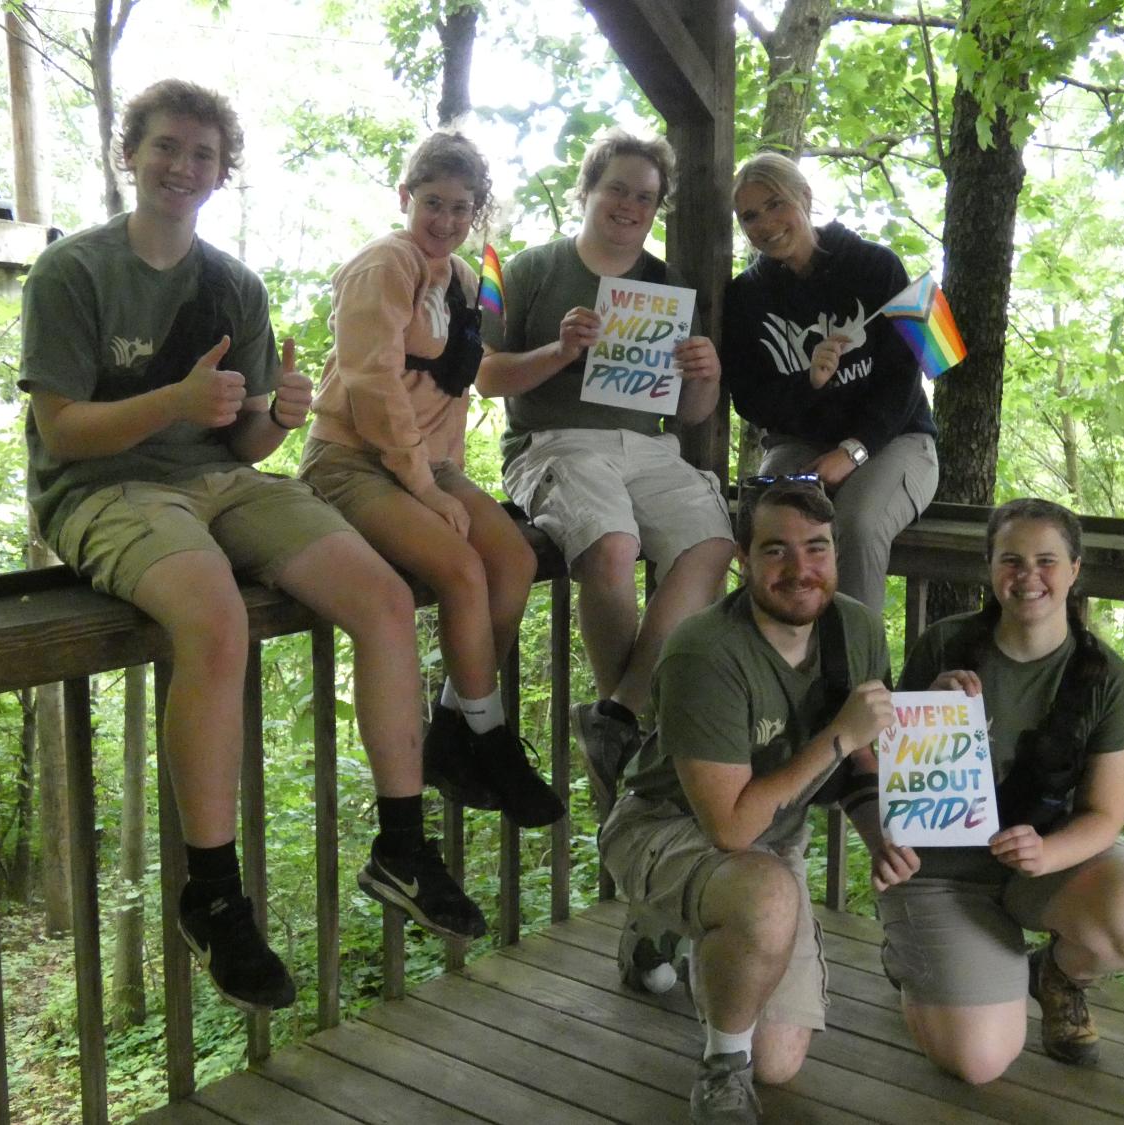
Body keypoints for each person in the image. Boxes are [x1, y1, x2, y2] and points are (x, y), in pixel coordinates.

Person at [19, 80, 486, 1013]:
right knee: (217, 619)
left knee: (385, 596)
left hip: (223, 482)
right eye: (165, 146)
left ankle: (399, 843)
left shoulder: (235, 284)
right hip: (102, 489)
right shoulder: (73, 272)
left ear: (221, 171)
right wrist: (176, 404)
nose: (181, 166)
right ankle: (213, 891)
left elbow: (244, 445)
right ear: (131, 154)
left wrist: (275, 415)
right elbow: (62, 430)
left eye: (201, 153)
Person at [599, 478, 894, 1124]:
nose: (800, 569)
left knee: (781, 1060)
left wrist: (881, 838)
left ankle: (667, 934)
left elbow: (863, 758)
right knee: (763, 896)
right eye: (776, 551)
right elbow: (729, 824)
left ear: (836, 552)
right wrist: (836, 735)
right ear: (742, 557)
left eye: (816, 548)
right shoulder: (704, 650)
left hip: (771, 835)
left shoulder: (857, 630)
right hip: (668, 826)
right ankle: (719, 1072)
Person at [851, 498, 1124, 1082]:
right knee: (978, 1062)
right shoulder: (944, 646)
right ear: (990, 568)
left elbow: (1105, 814)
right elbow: (889, 769)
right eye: (1012, 560)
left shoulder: (1107, 678)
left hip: (1040, 867)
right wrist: (931, 710)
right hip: (940, 870)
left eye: (1047, 560)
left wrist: (1046, 854)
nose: (1029, 577)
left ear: (1075, 570)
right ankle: (916, 959)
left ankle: (1056, 974)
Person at [299, 132, 562, 829]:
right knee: (461, 569)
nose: (445, 221)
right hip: (352, 458)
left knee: (514, 558)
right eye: (433, 203)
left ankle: (455, 726)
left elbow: (461, 381)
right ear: (405, 197)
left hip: (428, 465)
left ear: (477, 213)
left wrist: (568, 349)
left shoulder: (465, 280)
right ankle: (492, 739)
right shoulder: (384, 265)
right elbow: (373, 384)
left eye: (461, 209)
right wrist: (426, 488)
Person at [476, 128, 735, 810]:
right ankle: (637, 745)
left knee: (712, 541)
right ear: (587, 190)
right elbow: (484, 376)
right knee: (612, 544)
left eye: (645, 197)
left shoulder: (667, 284)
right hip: (555, 443)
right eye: (617, 188)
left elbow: (691, 412)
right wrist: (559, 352)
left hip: (648, 447)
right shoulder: (524, 268)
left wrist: (705, 374)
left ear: (656, 210)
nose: (629, 205)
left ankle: (619, 711)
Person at [723, 152, 939, 614]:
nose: (765, 223)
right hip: (799, 445)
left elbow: (903, 378)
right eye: (749, 216)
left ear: (804, 197)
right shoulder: (746, 297)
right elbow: (751, 399)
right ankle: (774, 664)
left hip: (895, 441)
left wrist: (854, 450)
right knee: (766, 521)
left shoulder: (874, 267)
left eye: (776, 203)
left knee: (856, 525)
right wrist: (811, 382)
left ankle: (858, 675)